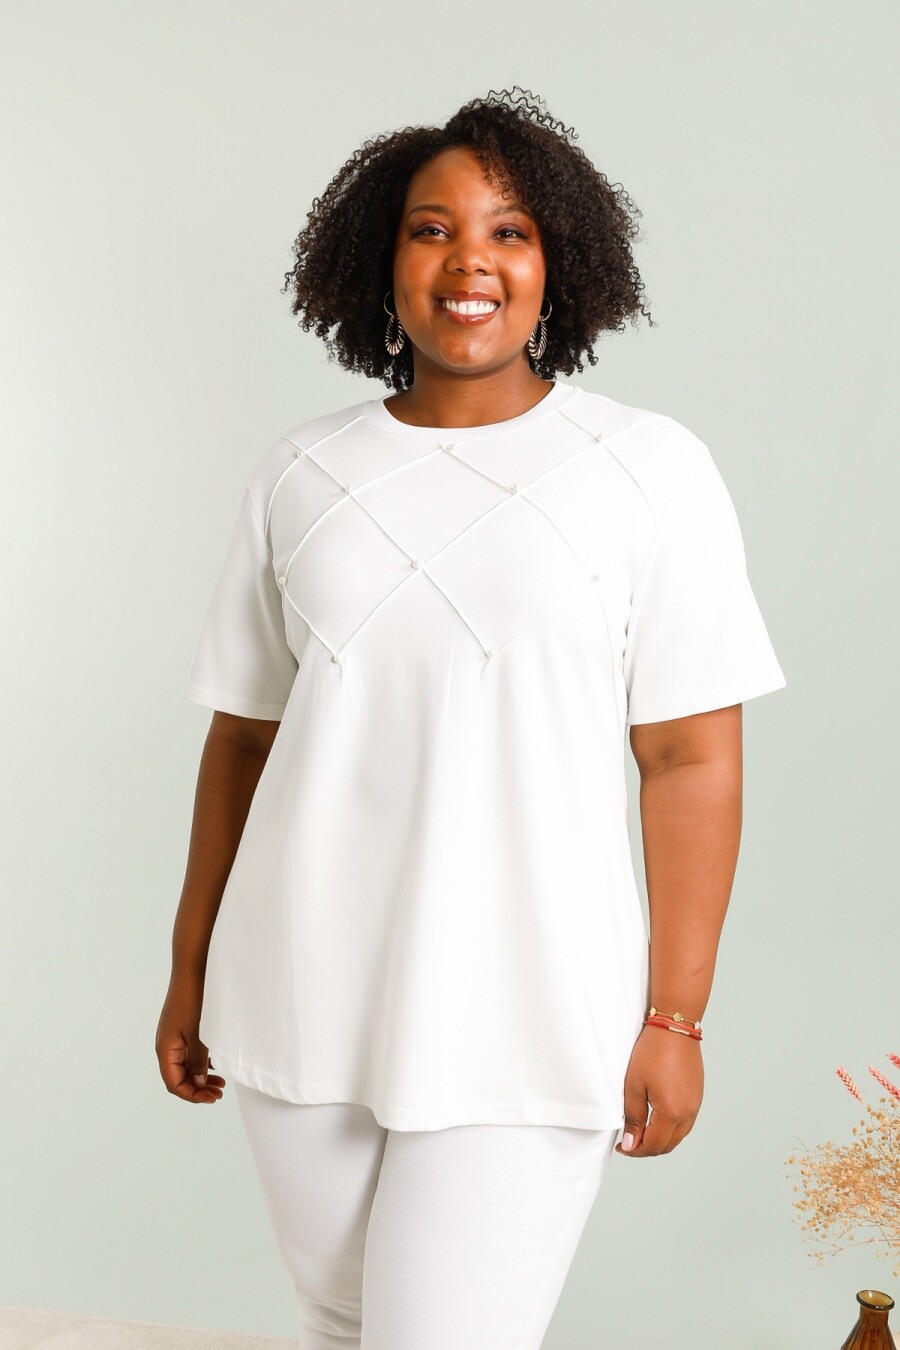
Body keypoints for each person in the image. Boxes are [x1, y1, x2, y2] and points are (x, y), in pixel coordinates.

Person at [156, 87, 787, 1349]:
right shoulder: (302, 471)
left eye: (509, 232)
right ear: (381, 259)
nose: (469, 264)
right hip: (295, 989)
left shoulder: (646, 469)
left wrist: (675, 1018)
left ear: (560, 262)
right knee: (341, 1326)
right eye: (432, 230)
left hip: (531, 1007)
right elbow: (245, 738)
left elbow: (688, 757)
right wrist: (189, 970)